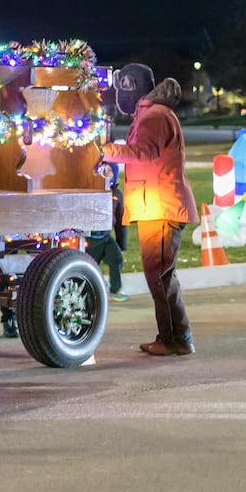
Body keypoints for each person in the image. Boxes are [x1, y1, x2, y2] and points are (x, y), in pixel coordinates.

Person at [101, 64, 198, 356]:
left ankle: (172, 340)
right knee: (162, 277)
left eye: (123, 88)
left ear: (133, 86)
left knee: (158, 277)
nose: (119, 94)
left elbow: (144, 152)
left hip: (160, 207)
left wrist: (102, 150)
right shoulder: (150, 113)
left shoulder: (154, 115)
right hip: (156, 205)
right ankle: (179, 339)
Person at [88, 161, 129, 302]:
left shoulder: (116, 194)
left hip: (105, 238)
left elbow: (121, 219)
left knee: (116, 258)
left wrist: (121, 242)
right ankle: (88, 292)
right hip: (90, 239)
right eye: (102, 169)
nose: (105, 173)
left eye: (109, 170)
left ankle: (115, 290)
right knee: (90, 267)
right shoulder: (92, 191)